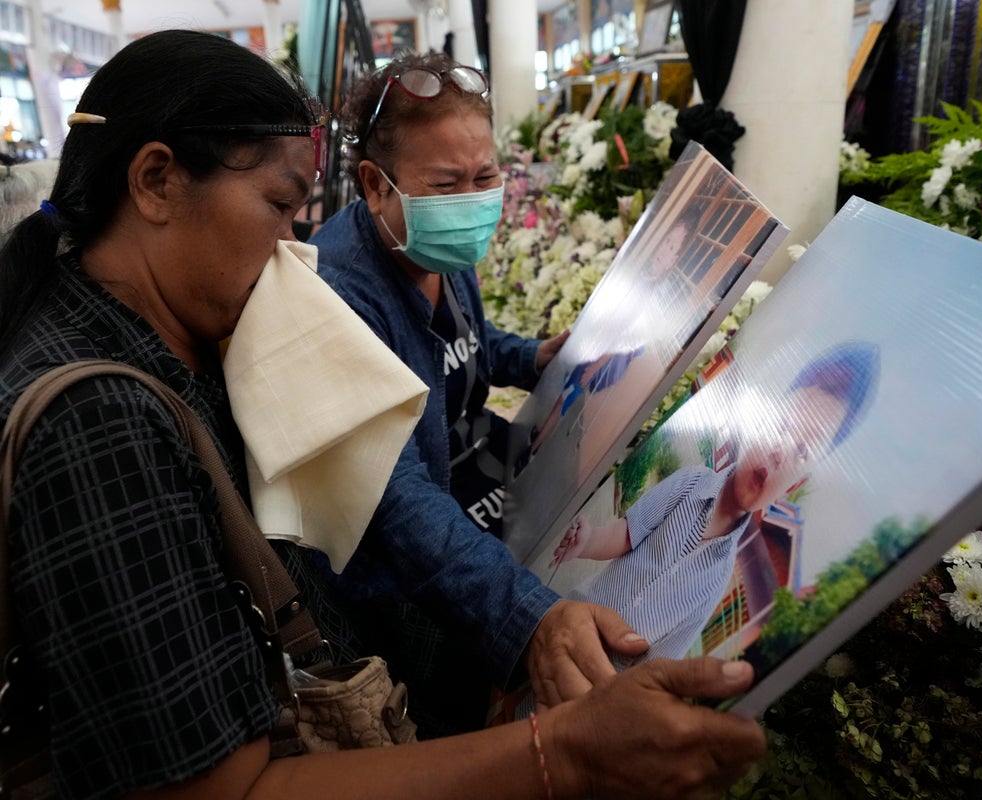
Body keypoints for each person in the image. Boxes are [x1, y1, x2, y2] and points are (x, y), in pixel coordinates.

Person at [0, 29, 766, 800]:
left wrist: (529, 359)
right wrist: (560, 754)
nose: (296, 248)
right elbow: (215, 788)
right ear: (158, 181)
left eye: (300, 215)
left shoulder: (170, 331)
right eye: (278, 206)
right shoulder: (99, 424)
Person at [309, 52, 643, 737]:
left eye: (484, 176)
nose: (472, 200)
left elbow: (468, 344)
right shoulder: (340, 297)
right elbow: (394, 499)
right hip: (403, 579)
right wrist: (528, 619)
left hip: (477, 485)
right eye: (445, 183)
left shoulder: (435, 253)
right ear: (375, 186)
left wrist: (531, 357)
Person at [549, 342, 880, 661]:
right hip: (574, 622)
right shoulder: (690, 482)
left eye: (803, 450)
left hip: (599, 684)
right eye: (783, 425)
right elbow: (626, 534)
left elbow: (664, 656)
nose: (781, 450)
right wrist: (587, 541)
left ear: (796, 484)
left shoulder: (720, 576)